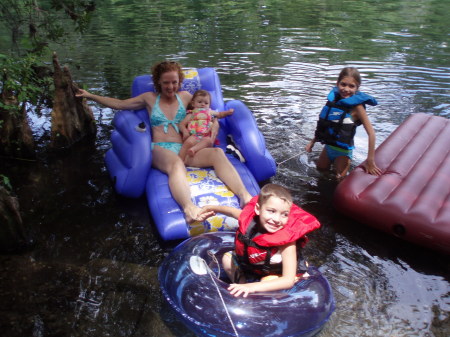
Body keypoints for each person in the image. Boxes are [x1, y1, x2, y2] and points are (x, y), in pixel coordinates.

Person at [76, 60, 252, 223]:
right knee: (176, 164)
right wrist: (90, 95)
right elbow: (120, 104)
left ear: (179, 81)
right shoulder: (149, 98)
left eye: (174, 82)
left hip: (184, 147)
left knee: (217, 153)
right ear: (158, 82)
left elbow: (205, 112)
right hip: (160, 149)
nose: (171, 86)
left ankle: (245, 196)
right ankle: (189, 208)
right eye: (166, 82)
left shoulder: (185, 97)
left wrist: (213, 127)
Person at [202, 183, 320, 297]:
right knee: (227, 258)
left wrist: (252, 287)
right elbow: (232, 212)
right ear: (258, 209)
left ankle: (253, 294)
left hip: (277, 274)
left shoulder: (287, 241)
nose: (277, 219)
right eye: (271, 211)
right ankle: (241, 287)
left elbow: (287, 280)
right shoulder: (250, 221)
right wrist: (211, 208)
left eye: (284, 214)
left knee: (266, 280)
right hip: (256, 267)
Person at [305, 67, 382, 179]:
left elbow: (371, 134)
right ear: (337, 84)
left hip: (343, 152)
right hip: (328, 148)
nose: (346, 89)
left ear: (357, 88)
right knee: (320, 171)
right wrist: (312, 142)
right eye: (343, 84)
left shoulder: (357, 107)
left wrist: (370, 161)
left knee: (339, 179)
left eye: (351, 86)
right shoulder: (333, 102)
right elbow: (324, 125)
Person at [178, 89, 234, 161]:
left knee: (209, 141)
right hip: (194, 135)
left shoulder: (210, 112)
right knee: (187, 142)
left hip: (206, 136)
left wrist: (228, 112)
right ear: (193, 103)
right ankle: (180, 160)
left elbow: (220, 114)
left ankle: (193, 149)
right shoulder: (191, 114)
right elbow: (181, 124)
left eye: (206, 103)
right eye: (199, 102)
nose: (203, 104)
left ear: (209, 105)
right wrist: (185, 131)